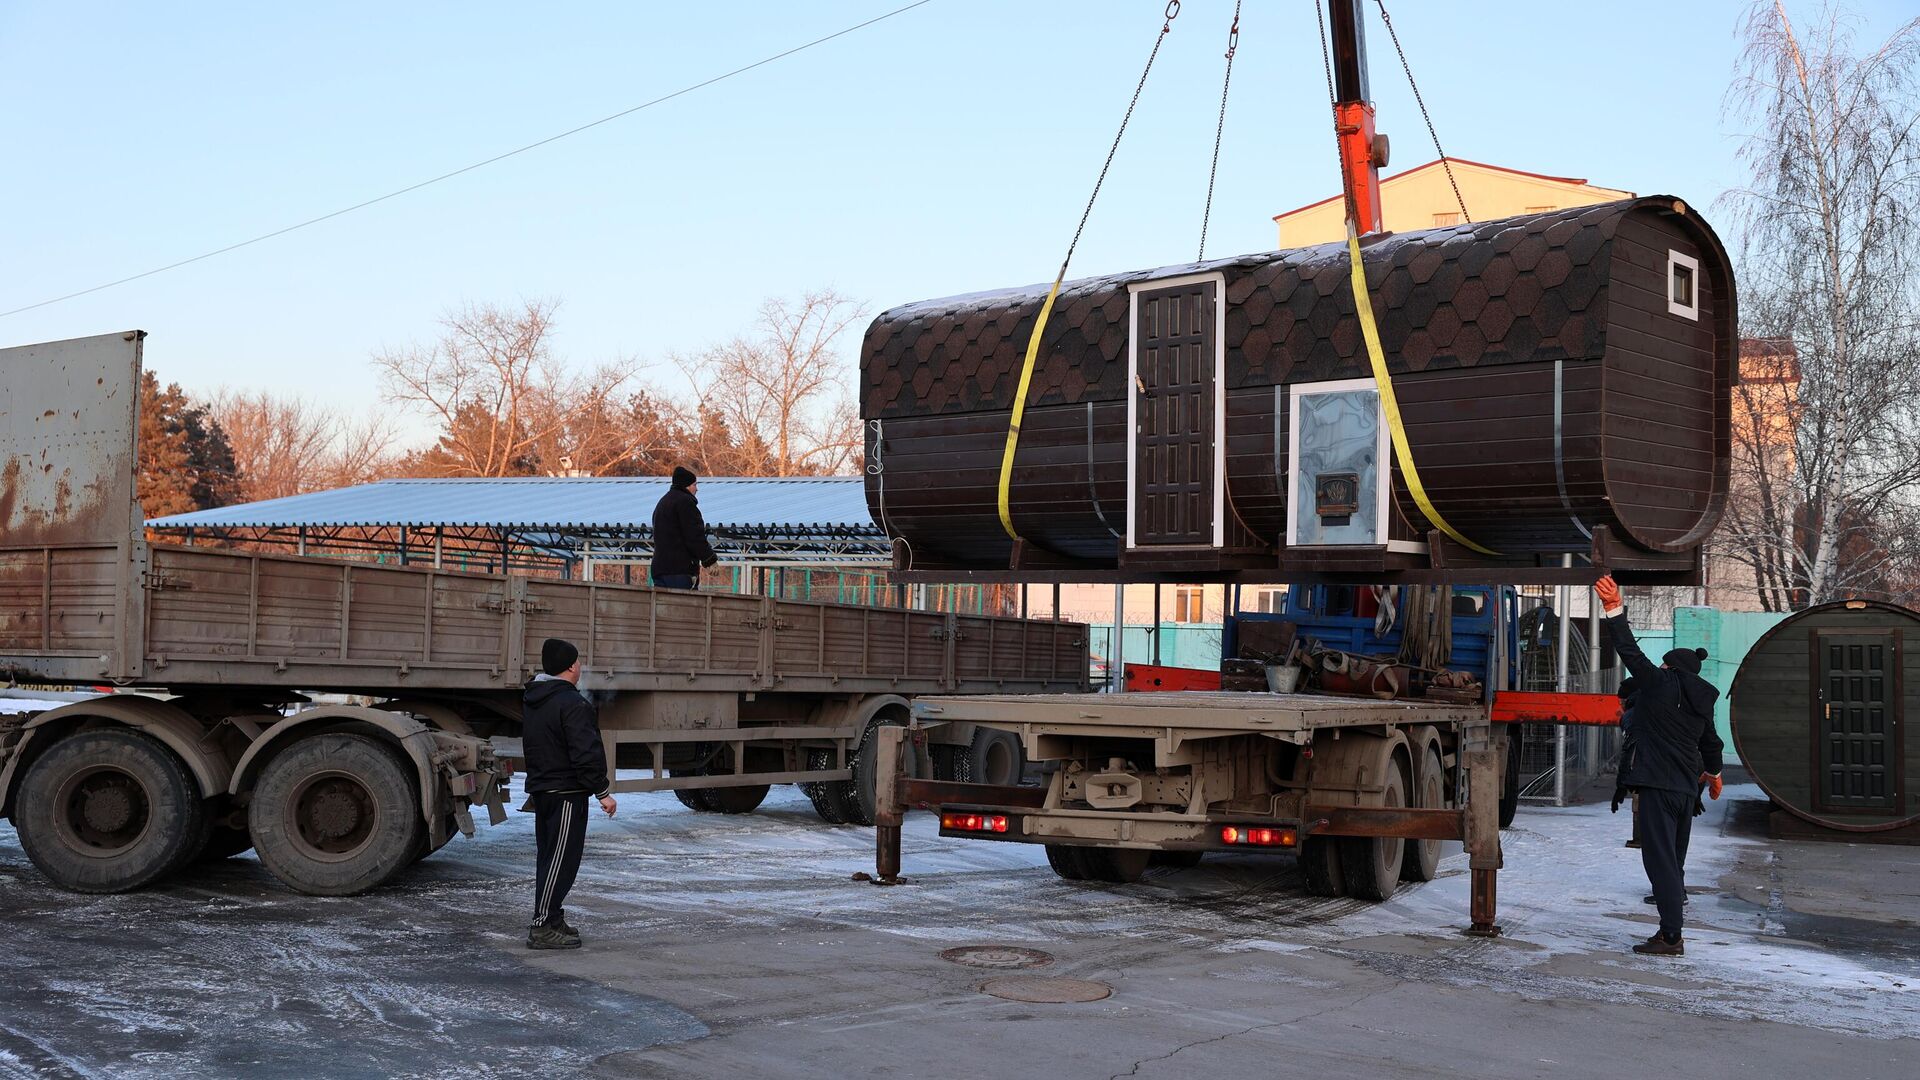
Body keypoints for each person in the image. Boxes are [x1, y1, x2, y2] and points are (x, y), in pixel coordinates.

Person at [1594, 575, 1724, 957]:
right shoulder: (1702, 702)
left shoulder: (1659, 684)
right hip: (1686, 792)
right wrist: (1714, 776)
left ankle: (1671, 937)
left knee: (1660, 863)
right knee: (1674, 863)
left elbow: (1629, 652)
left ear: (1669, 668)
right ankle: (1671, 929)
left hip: (1658, 787)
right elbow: (1711, 743)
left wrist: (1613, 609)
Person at [522, 637, 617, 950]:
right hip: (565, 792)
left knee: (550, 858)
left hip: (545, 788)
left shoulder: (537, 698)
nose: (580, 667)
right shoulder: (572, 704)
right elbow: (584, 753)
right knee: (561, 861)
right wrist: (602, 791)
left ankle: (552, 917)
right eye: (578, 662)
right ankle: (542, 926)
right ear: (571, 666)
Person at [650, 466, 719, 590]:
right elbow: (694, 536)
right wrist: (709, 559)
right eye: (694, 485)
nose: (697, 489)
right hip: (679, 570)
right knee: (682, 607)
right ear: (686, 486)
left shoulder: (662, 503)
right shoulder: (686, 503)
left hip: (659, 569)